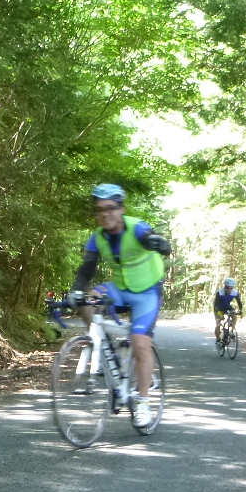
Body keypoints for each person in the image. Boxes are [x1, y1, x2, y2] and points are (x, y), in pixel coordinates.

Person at [65, 183, 171, 427]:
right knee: (86, 300)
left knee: (140, 343)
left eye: (111, 208)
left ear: (121, 209)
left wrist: (160, 244)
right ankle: (102, 344)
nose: (105, 214)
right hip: (120, 288)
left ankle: (143, 402)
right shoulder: (97, 237)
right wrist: (75, 292)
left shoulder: (137, 228)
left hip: (147, 292)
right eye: (100, 209)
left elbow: (151, 238)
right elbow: (86, 269)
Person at [213, 277, 243, 343]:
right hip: (218, 308)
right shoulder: (219, 293)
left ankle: (231, 331)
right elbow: (216, 305)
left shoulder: (235, 293)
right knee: (218, 323)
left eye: (231, 288)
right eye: (227, 287)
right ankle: (218, 338)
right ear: (224, 287)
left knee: (234, 317)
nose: (229, 289)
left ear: (233, 288)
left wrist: (240, 310)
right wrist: (220, 315)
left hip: (227, 307)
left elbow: (239, 302)